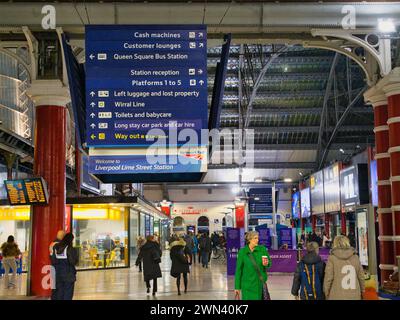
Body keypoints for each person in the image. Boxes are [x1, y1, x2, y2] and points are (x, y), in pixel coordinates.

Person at [323, 235, 365, 300]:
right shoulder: (355, 257)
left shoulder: (332, 258)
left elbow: (328, 278)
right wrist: (362, 291)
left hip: (336, 295)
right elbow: (361, 277)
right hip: (354, 295)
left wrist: (326, 293)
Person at [234, 231, 272, 300]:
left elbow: (269, 263)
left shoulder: (262, 249)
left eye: (258, 238)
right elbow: (238, 271)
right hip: (247, 287)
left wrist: (267, 263)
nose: (257, 240)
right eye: (255, 238)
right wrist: (237, 287)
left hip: (259, 285)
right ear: (249, 240)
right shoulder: (242, 252)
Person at [51, 233, 79, 300]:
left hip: (58, 274)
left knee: (59, 293)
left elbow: (53, 260)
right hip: (68, 275)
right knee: (67, 294)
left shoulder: (56, 248)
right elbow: (73, 261)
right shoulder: (70, 248)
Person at [49, 230, 65, 299]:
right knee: (59, 288)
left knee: (54, 289)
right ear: (63, 236)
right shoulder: (59, 245)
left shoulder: (52, 243)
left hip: (53, 267)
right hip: (58, 268)